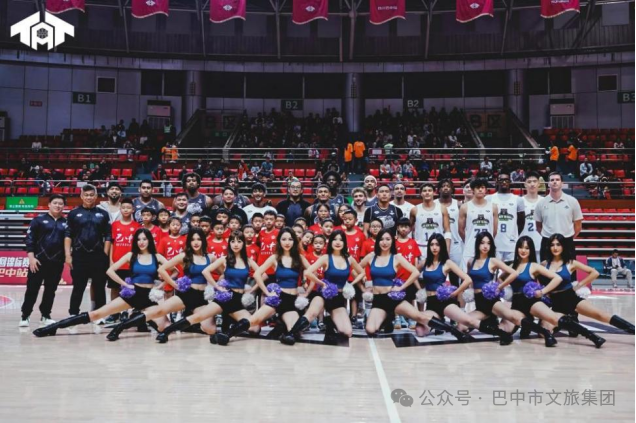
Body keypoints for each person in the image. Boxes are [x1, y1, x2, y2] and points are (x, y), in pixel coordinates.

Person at [34, 228, 167, 338]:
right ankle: (53, 327)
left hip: (149, 298)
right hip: (133, 294)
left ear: (150, 240)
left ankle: (126, 324)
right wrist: (125, 284)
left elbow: (174, 272)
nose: (141, 242)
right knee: (96, 314)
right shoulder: (130, 255)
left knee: (163, 327)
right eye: (138, 239)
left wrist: (160, 286)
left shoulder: (157, 257)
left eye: (144, 239)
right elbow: (110, 271)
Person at [103, 228, 217, 341]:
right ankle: (119, 328)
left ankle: (189, 325)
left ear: (203, 241)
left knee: (211, 329)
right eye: (193, 239)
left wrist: (216, 285)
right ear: (189, 242)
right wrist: (174, 285)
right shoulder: (184, 255)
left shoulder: (211, 257)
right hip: (186, 294)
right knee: (158, 312)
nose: (196, 242)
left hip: (201, 297)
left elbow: (222, 272)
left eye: (199, 239)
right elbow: (162, 269)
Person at [358, 229, 468, 341]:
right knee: (370, 330)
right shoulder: (371, 256)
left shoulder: (397, 257)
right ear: (378, 241)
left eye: (388, 239)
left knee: (420, 317)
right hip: (378, 301)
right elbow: (356, 270)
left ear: (392, 241)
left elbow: (415, 272)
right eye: (381, 239)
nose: (384, 242)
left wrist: (401, 287)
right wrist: (363, 288)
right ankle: (387, 319)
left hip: (392, 298)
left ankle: (452, 330)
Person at [156, 230, 262, 344]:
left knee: (255, 328)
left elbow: (262, 274)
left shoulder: (249, 261)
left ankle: (226, 334)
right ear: (229, 243)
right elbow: (205, 272)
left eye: (239, 241)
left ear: (243, 243)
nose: (236, 244)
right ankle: (166, 332)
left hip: (237, 301)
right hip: (224, 298)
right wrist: (217, 286)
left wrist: (252, 289)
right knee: (198, 317)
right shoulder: (224, 259)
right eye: (233, 241)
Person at [494, 236, 591, 347]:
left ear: (531, 250)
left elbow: (555, 278)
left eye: (527, 248)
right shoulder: (512, 266)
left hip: (532, 303)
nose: (523, 250)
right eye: (521, 247)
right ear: (517, 249)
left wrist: (543, 291)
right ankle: (526, 323)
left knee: (546, 329)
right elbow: (501, 278)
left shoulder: (535, 266)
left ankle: (577, 324)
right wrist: (505, 288)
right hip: (517, 305)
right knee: (503, 330)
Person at [221, 228, 312, 346]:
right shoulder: (275, 257)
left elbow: (313, 273)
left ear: (294, 241)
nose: (287, 242)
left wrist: (306, 292)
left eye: (290, 239)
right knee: (253, 320)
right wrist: (267, 293)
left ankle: (280, 327)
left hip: (291, 302)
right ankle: (226, 335)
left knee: (294, 333)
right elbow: (257, 274)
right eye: (284, 239)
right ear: (279, 241)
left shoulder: (300, 258)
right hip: (278, 298)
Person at [418, 234, 514, 345]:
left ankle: (503, 334)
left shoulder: (447, 263)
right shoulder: (424, 263)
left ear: (442, 247)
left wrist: (454, 293)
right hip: (431, 303)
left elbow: (467, 279)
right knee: (419, 331)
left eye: (437, 245)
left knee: (468, 321)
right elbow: (414, 274)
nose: (434, 247)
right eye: (432, 245)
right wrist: (419, 290)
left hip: (445, 302)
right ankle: (445, 326)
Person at [544, 234, 634, 341]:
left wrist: (578, 285)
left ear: (563, 246)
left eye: (558, 244)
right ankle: (570, 320)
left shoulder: (571, 263)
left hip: (571, 298)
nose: (555, 248)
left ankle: (633, 330)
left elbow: (594, 273)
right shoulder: (544, 264)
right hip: (556, 303)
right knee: (545, 331)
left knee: (601, 315)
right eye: (552, 245)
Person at [298, 231, 366, 340]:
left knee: (347, 332)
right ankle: (290, 333)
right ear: (330, 242)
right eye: (335, 239)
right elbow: (308, 272)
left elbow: (362, 272)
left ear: (344, 243)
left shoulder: (349, 258)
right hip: (323, 295)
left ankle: (329, 322)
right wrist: (322, 283)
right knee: (311, 314)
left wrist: (350, 284)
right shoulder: (326, 257)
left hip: (338, 298)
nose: (338, 242)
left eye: (341, 240)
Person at [64, 185, 112, 319]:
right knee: (78, 286)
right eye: (86, 195)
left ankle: (100, 315)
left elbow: (108, 235)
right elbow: (68, 235)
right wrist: (68, 255)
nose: (89, 197)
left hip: (98, 256)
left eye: (91, 195)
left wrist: (105, 254)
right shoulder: (73, 213)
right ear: (81, 196)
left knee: (99, 286)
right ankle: (73, 313)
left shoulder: (103, 214)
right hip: (79, 255)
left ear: (96, 196)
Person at [20, 195, 67, 328]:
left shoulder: (66, 223)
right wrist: (31, 258)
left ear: (63, 206)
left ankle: (45, 315)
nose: (58, 206)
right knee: (32, 289)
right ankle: (25, 315)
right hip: (38, 262)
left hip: (57, 262)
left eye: (60, 204)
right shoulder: (38, 220)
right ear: (49, 205)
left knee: (50, 290)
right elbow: (30, 239)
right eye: (55, 203)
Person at [105, 198, 140, 324]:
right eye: (123, 207)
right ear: (120, 209)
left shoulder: (137, 226)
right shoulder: (114, 225)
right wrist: (111, 260)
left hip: (130, 264)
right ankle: (114, 313)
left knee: (128, 288)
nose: (126, 210)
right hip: (116, 263)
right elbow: (112, 243)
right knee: (114, 289)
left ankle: (124, 312)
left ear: (133, 210)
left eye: (128, 208)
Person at [535, 172, 583, 262]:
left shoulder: (572, 201)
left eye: (557, 180)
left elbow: (578, 225)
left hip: (567, 241)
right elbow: (538, 226)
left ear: (562, 183)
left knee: (569, 270)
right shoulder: (541, 203)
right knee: (546, 270)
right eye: (552, 180)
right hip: (547, 242)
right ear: (548, 183)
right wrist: (549, 238)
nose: (554, 182)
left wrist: (567, 238)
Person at [487, 171, 525, 262]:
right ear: (497, 182)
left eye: (506, 180)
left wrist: (514, 235)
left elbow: (521, 222)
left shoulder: (518, 199)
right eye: (501, 180)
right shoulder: (489, 198)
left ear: (510, 182)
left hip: (511, 242)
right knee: (493, 269)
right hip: (494, 242)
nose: (504, 182)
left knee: (511, 269)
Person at [459, 179, 498, 268]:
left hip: (487, 246)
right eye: (477, 188)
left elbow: (494, 230)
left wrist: (487, 241)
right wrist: (469, 240)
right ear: (473, 190)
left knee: (487, 273)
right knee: (467, 274)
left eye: (482, 187)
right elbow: (461, 230)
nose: (480, 190)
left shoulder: (493, 207)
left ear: (486, 190)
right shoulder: (464, 207)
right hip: (470, 246)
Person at [410, 183, 450, 260]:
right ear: (421, 193)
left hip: (437, 246)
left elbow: (447, 230)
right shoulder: (414, 210)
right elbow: (409, 229)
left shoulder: (442, 208)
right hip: (420, 246)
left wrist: (447, 248)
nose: (427, 192)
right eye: (424, 191)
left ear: (434, 193)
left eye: (429, 190)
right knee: (419, 268)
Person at [435, 179, 464, 287]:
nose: (446, 188)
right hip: (437, 244)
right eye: (443, 186)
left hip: (455, 244)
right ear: (439, 189)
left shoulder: (459, 205)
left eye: (448, 186)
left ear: (452, 189)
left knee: (455, 276)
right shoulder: (433, 204)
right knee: (437, 273)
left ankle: (455, 296)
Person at [520, 172, 543, 262]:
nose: (532, 184)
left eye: (534, 181)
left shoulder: (544, 201)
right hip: (523, 243)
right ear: (525, 184)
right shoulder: (519, 201)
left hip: (540, 242)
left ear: (539, 183)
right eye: (529, 182)